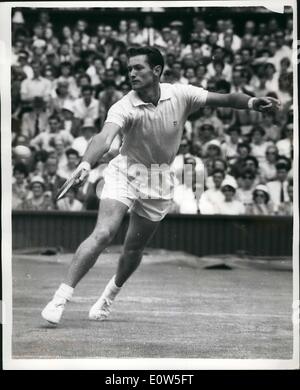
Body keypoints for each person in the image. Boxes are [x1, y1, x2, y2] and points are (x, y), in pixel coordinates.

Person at [41, 46, 280, 325]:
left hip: (159, 178)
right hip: (126, 171)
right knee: (104, 233)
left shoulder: (182, 94)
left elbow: (227, 98)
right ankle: (60, 298)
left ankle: (107, 298)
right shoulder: (123, 106)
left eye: (138, 68)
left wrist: (253, 103)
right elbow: (104, 138)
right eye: (129, 68)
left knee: (133, 249)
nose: (131, 73)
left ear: (156, 71)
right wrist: (85, 165)